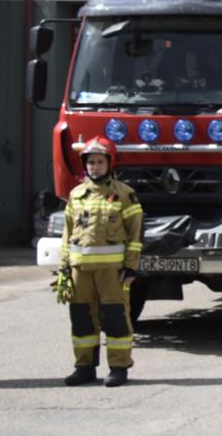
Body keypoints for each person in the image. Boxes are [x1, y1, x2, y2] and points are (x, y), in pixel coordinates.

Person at [59, 136, 145, 387]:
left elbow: (136, 232)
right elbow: (67, 233)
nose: (94, 167)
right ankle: (84, 367)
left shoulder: (124, 195)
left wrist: (131, 266)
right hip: (80, 270)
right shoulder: (75, 195)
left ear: (110, 163)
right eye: (90, 162)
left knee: (116, 318)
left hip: (112, 272)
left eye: (99, 162)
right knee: (81, 318)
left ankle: (119, 367)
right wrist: (64, 266)